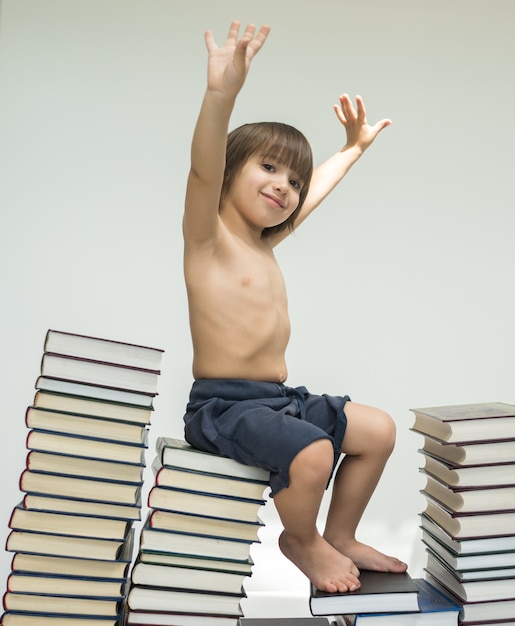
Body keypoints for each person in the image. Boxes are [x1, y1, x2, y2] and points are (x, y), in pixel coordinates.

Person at [182, 20, 407, 594]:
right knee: (310, 455)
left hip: (277, 400)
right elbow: (202, 167)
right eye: (268, 167)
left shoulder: (265, 242)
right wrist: (220, 96)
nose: (284, 186)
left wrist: (351, 150)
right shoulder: (207, 239)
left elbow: (317, 192)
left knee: (377, 431)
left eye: (293, 180)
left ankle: (342, 533)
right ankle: (300, 540)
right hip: (225, 407)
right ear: (232, 172)